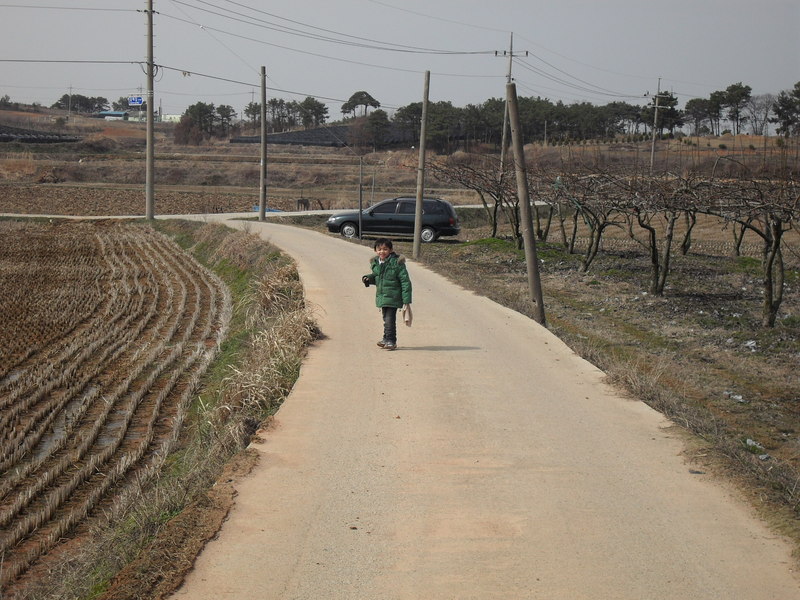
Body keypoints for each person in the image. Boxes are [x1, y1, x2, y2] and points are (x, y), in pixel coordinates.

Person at [362, 238, 412, 351]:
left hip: (393, 297)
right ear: (375, 250)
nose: (382, 252)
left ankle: (391, 341)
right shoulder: (376, 263)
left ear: (391, 250)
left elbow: (405, 282)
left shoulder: (397, 263)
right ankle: (385, 339)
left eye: (385, 249)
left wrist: (406, 299)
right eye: (379, 249)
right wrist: (368, 279)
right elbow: (377, 277)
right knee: (386, 318)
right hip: (382, 296)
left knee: (389, 319)